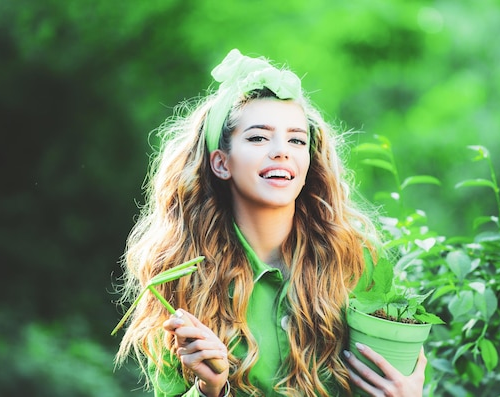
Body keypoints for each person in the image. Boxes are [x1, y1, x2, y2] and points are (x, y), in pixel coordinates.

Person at [115, 49, 427, 396]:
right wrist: (210, 388)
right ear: (221, 163)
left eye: (296, 139)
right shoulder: (182, 280)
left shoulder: (356, 261)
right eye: (258, 137)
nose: (281, 151)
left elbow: (393, 370)